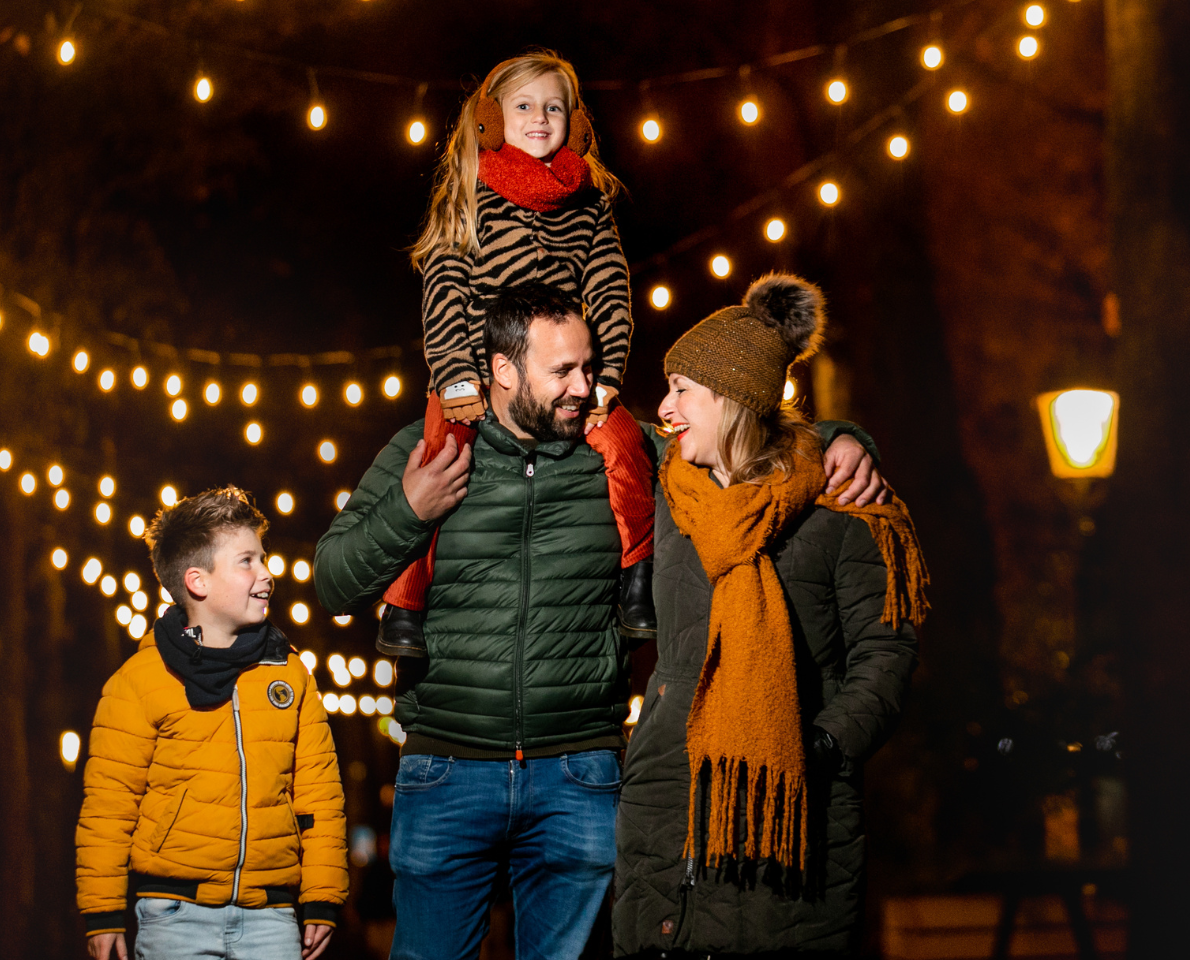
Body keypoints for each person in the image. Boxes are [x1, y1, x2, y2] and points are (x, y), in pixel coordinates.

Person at [312, 282, 883, 960]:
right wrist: (409, 508)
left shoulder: (624, 452)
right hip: (447, 768)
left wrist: (843, 438)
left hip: (578, 774)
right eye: (563, 371)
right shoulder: (427, 450)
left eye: (589, 366)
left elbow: (737, 435)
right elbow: (332, 581)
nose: (585, 387)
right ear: (502, 370)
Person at [611, 275, 927, 958]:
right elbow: (587, 420)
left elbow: (886, 655)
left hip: (791, 807)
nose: (665, 408)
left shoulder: (842, 508)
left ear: (728, 399)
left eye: (682, 391)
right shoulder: (670, 492)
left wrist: (822, 746)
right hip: (669, 798)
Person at [377, 49, 657, 658]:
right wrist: (455, 377)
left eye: (553, 107)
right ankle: (404, 603)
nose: (539, 118)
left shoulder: (588, 203)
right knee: (436, 461)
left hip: (565, 379)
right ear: (491, 120)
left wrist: (605, 376)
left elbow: (610, 290)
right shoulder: (471, 195)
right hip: (480, 374)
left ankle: (639, 578)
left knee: (625, 447)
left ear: (575, 122)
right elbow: (445, 292)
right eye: (523, 105)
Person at [76, 486, 347, 960]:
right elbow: (108, 807)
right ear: (198, 582)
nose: (266, 574)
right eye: (247, 561)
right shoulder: (140, 681)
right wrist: (102, 911)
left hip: (272, 917)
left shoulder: (290, 674)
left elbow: (319, 798)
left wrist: (323, 896)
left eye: (263, 559)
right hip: (174, 915)